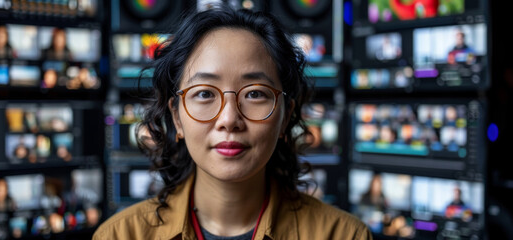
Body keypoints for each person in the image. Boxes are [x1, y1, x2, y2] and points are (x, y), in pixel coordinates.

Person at [93, 6, 372, 240]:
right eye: (204, 93)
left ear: (285, 116)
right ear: (176, 117)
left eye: (254, 94)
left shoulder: (346, 235)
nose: (229, 120)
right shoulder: (119, 235)